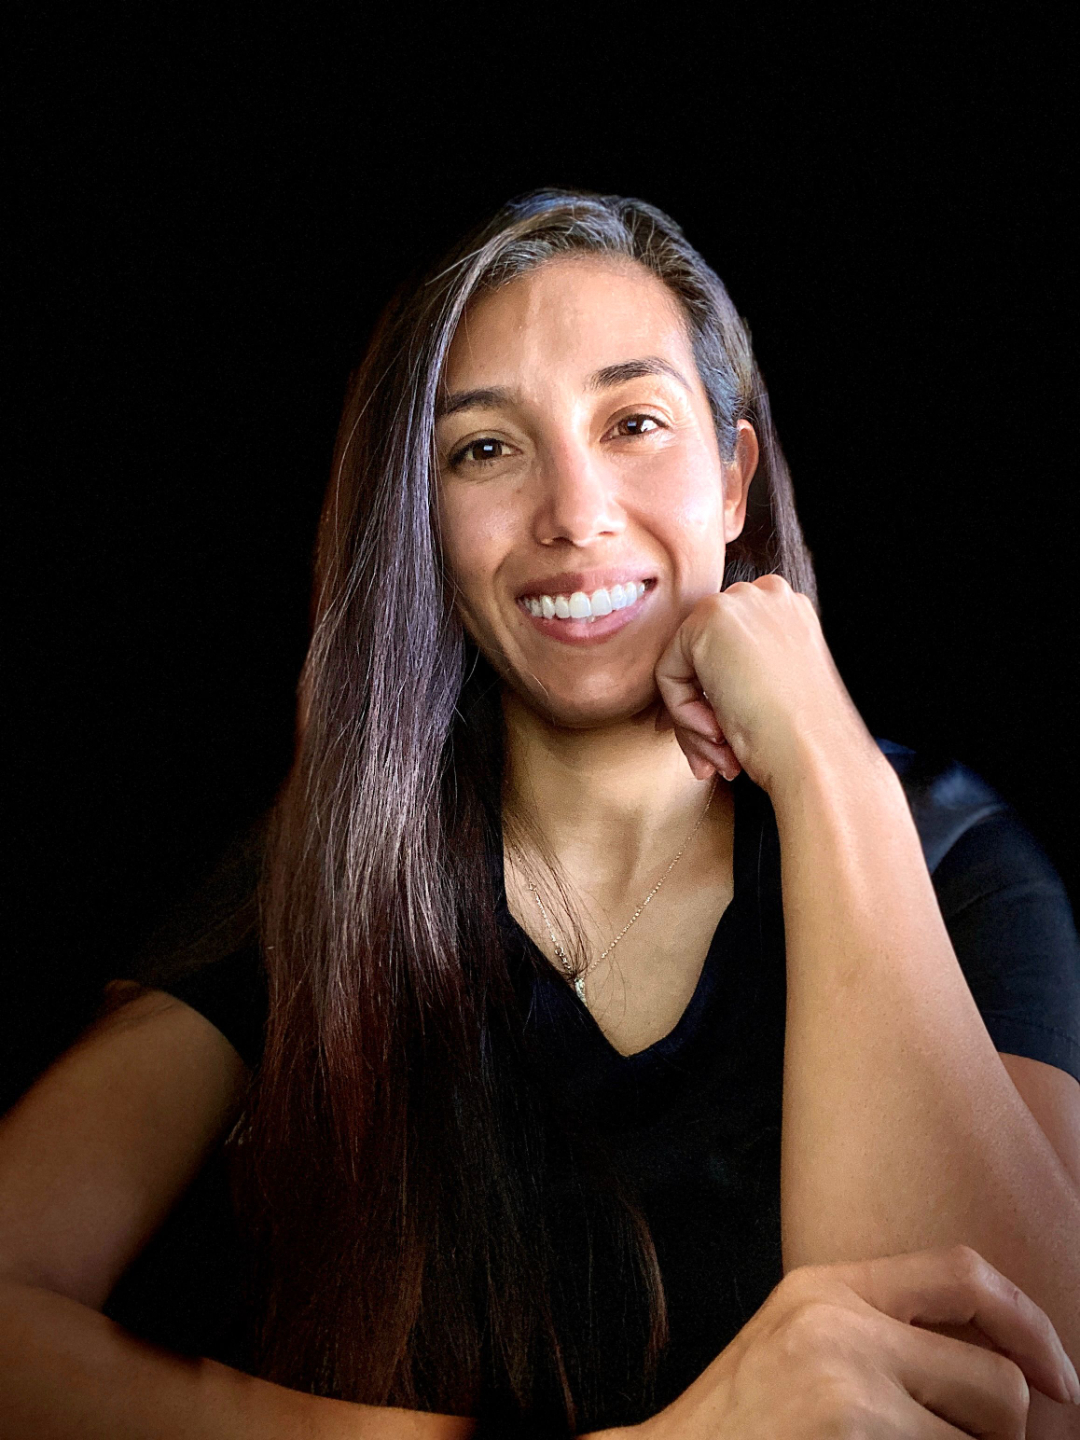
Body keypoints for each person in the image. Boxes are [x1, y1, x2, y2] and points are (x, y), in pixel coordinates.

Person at [2, 188, 1079, 1438]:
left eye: (634, 423)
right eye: (485, 449)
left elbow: (1024, 1399)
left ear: (735, 481)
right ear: (425, 520)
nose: (574, 515)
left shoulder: (961, 864)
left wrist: (826, 757)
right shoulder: (319, 882)